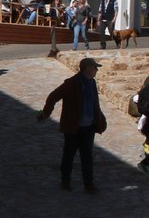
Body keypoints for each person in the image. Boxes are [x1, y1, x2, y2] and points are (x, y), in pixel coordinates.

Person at [37, 56, 107, 193]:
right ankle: (65, 181)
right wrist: (46, 113)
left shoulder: (92, 82)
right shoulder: (72, 83)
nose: (96, 71)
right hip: (73, 127)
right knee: (69, 155)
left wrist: (100, 119)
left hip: (88, 128)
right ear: (87, 68)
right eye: (95, 68)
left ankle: (89, 185)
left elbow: (94, 104)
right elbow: (53, 96)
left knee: (87, 157)